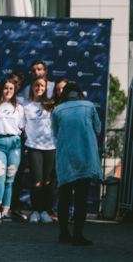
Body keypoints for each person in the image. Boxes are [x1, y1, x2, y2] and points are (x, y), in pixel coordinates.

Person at [52, 82, 101, 246]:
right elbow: (98, 128)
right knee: (81, 198)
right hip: (85, 158)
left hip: (65, 159)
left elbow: (55, 133)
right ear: (79, 93)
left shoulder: (57, 110)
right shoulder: (89, 106)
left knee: (64, 199)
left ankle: (63, 234)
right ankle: (78, 235)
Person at [0, 78, 25, 220]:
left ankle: (6, 210)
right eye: (5, 88)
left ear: (15, 90)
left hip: (14, 144)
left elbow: (23, 127)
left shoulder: (19, 107)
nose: (8, 91)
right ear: (1, 89)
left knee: (10, 179)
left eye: (11, 88)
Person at [23, 77, 56, 224]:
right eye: (37, 85)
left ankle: (45, 211)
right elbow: (21, 126)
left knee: (48, 181)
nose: (39, 88)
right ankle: (35, 211)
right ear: (32, 87)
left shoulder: (51, 105)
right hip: (33, 146)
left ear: (46, 88)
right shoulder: (26, 105)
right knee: (37, 181)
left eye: (42, 86)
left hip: (50, 147)